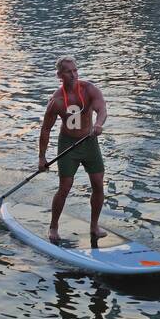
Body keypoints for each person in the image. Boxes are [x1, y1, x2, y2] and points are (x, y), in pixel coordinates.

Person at [38, 57, 107, 241]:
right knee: (65, 187)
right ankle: (53, 227)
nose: (74, 74)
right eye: (69, 72)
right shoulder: (57, 100)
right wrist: (42, 158)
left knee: (98, 184)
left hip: (89, 141)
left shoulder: (88, 89)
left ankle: (94, 227)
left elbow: (102, 108)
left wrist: (98, 124)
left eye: (75, 70)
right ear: (60, 76)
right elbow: (46, 129)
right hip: (68, 143)